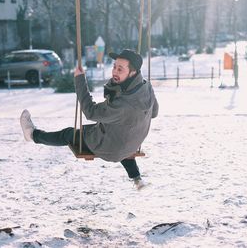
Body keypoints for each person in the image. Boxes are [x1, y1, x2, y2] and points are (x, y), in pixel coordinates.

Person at [20, 49, 159, 190]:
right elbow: (154, 113)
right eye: (114, 67)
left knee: (68, 134)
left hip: (111, 149)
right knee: (120, 140)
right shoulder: (146, 87)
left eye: (120, 69)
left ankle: (32, 134)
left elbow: (90, 112)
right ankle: (137, 179)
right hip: (132, 143)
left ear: (132, 73)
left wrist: (79, 80)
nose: (114, 72)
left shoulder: (123, 105)